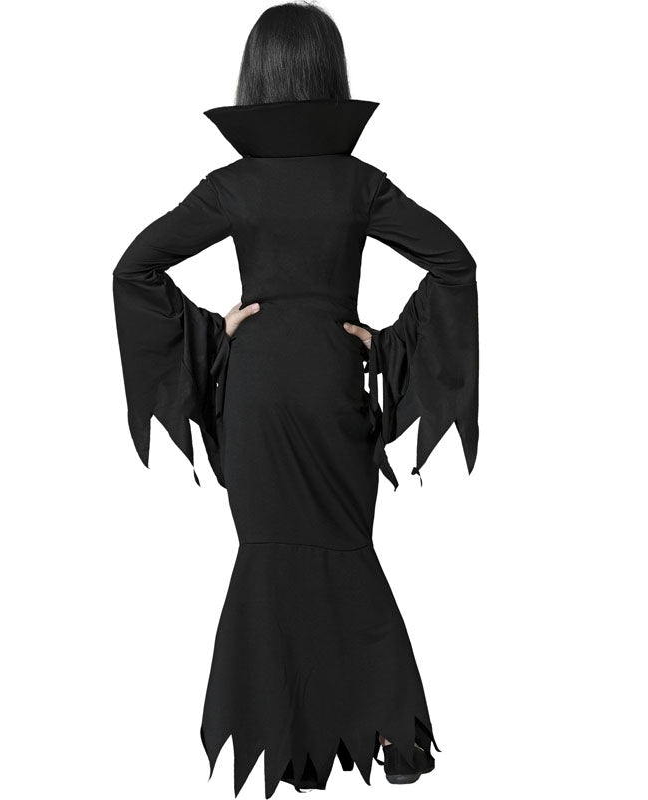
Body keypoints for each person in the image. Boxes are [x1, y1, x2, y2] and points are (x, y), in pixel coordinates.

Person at [112, 2, 479, 796]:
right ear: (330, 75)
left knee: (269, 555)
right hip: (331, 383)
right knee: (346, 549)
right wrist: (384, 346)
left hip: (257, 392)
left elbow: (133, 269)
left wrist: (214, 333)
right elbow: (455, 264)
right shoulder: (359, 184)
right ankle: (389, 740)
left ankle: (292, 753)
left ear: (255, 79)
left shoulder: (232, 187)